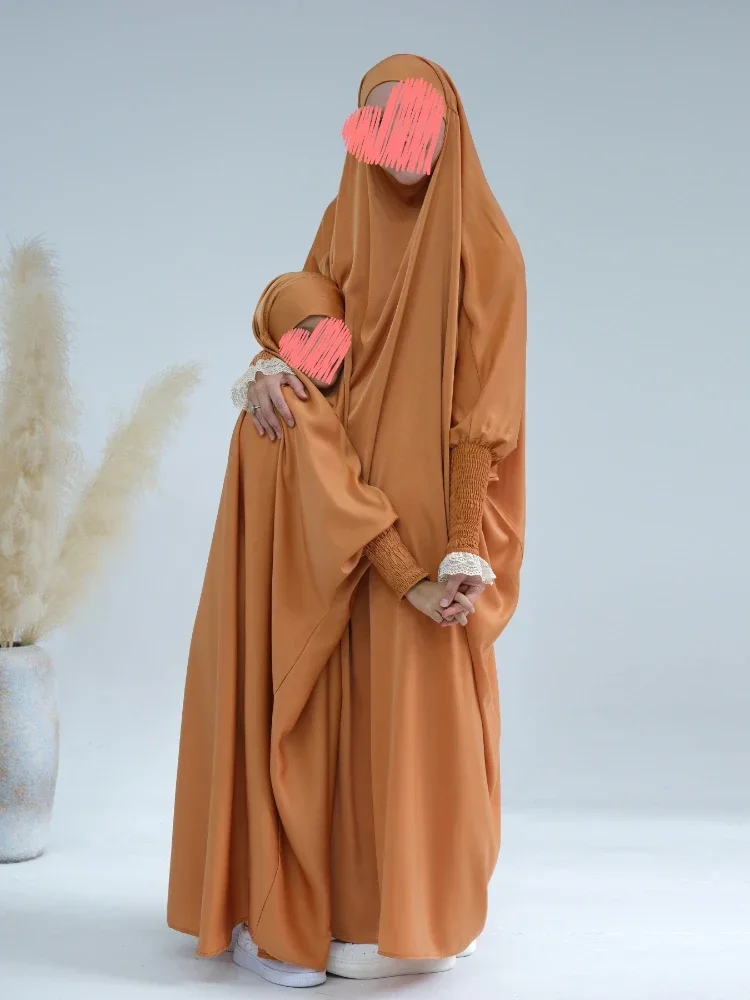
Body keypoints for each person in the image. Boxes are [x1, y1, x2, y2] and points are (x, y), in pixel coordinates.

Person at [168, 53, 526, 989]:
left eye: (419, 119)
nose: (402, 143)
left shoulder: (485, 248)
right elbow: (309, 334)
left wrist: (458, 546)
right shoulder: (343, 221)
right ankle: (312, 911)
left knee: (418, 703)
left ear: (449, 125)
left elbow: (484, 420)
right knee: (330, 702)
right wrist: (271, 372)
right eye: (383, 120)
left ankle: (414, 910)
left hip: (425, 515)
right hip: (332, 504)